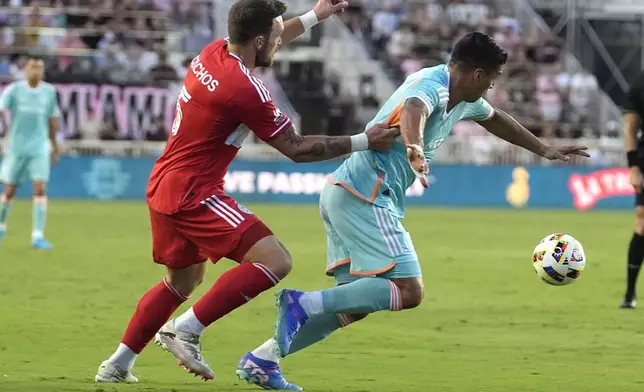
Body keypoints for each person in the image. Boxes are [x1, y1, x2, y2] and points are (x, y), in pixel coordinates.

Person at [240, 32, 590, 391]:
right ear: (477, 74)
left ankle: (265, 359)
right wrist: (414, 146)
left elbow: (496, 118)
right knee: (408, 291)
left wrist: (543, 148)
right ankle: (302, 302)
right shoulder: (432, 83)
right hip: (365, 192)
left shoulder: (464, 98)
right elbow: (413, 109)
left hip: (348, 192)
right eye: (493, 80)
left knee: (355, 304)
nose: (491, 88)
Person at [95, 0, 399, 384]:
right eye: (274, 35)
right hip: (195, 192)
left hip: (165, 182)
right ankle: (185, 329)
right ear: (259, 40)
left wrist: (316, 15)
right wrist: (364, 140)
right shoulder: (244, 89)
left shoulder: (214, 52)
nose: (278, 39)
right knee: (276, 261)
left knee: (180, 283)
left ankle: (117, 365)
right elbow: (297, 148)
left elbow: (272, 35)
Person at [0, 55, 60, 249]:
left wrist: (54, 146)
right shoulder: (15, 90)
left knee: (40, 187)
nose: (35, 72)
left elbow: (52, 120)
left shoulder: (49, 92)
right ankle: (1, 226)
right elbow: (1, 108)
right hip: (17, 147)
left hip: (39, 147)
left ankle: (37, 235)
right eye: (32, 68)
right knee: (9, 190)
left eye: (39, 68)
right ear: (26, 70)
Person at [621, 68, 644, 309]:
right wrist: (633, 166)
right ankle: (630, 293)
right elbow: (630, 129)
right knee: (641, 221)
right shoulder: (641, 84)